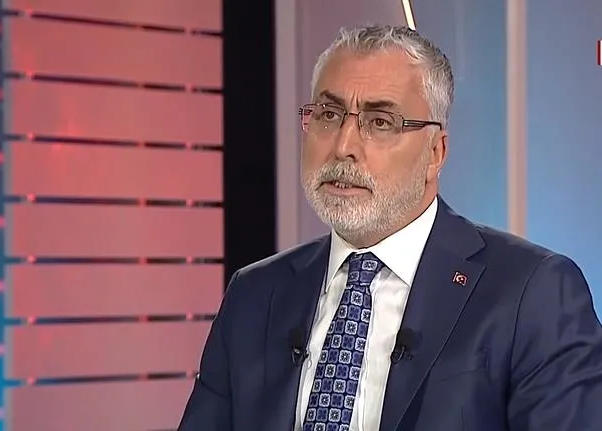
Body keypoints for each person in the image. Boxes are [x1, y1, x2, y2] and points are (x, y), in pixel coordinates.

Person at [177, 25, 602, 431]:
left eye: (380, 122)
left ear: (435, 153)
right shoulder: (254, 295)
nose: (343, 146)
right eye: (328, 114)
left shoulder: (533, 292)